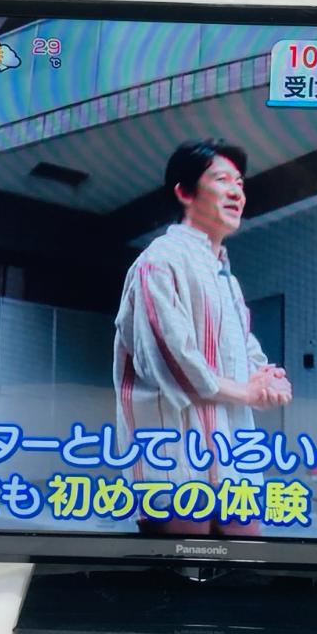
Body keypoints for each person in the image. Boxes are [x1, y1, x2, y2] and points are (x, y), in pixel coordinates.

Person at [113, 139, 292, 536]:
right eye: (222, 180)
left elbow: (243, 346)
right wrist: (247, 392)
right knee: (181, 567)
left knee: (245, 560)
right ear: (185, 192)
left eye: (240, 183)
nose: (236, 192)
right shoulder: (160, 260)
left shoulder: (225, 275)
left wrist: (267, 378)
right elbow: (170, 358)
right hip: (176, 453)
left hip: (231, 451)